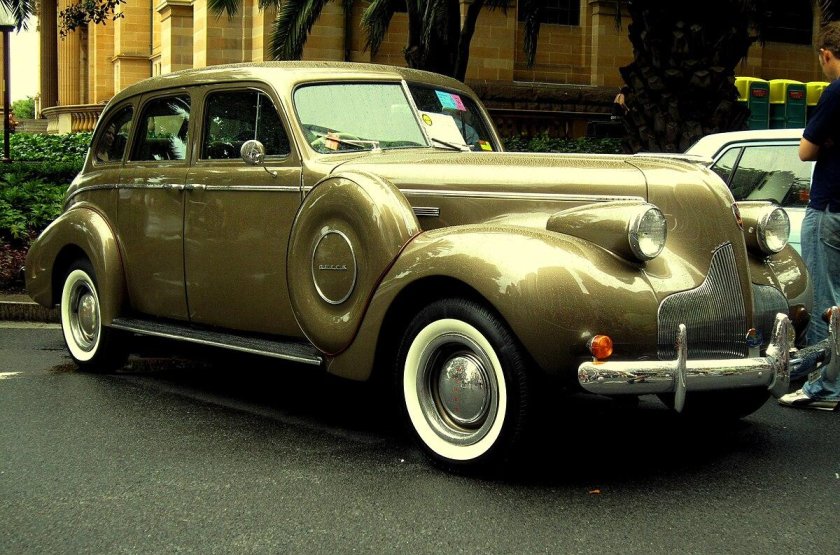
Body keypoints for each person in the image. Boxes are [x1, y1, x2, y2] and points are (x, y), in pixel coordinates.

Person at [779, 22, 840, 411]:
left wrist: (825, 141)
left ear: (825, 54)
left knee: (825, 303)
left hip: (830, 207)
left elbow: (804, 151)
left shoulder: (836, 92)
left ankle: (824, 385)